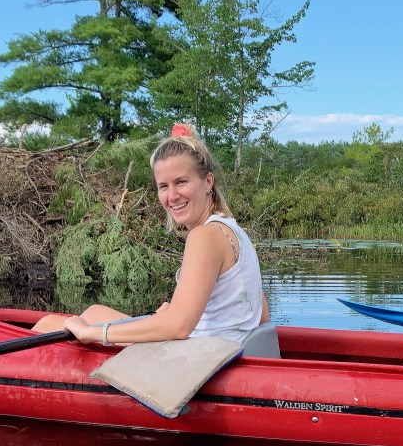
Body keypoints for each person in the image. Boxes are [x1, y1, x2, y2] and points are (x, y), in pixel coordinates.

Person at [33, 123, 269, 346]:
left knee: (48, 324)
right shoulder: (233, 230)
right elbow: (261, 316)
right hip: (219, 349)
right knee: (94, 312)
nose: (172, 196)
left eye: (181, 182)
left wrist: (94, 333)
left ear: (208, 182)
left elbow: (179, 326)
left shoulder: (204, 236)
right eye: (163, 186)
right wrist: (175, 312)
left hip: (203, 359)